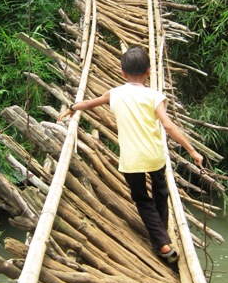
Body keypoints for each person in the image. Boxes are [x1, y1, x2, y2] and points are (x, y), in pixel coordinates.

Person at [58, 45, 204, 265]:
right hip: (155, 156)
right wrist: (192, 150)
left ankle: (162, 242)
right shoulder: (155, 96)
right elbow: (168, 125)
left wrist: (72, 108)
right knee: (161, 193)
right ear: (150, 71)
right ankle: (162, 237)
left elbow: (89, 103)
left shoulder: (115, 93)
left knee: (143, 201)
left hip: (132, 160)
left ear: (122, 73)